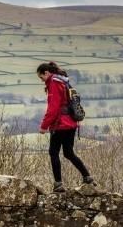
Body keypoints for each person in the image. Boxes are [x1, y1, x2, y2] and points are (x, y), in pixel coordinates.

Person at [36, 61, 95, 192]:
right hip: (72, 123)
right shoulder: (64, 81)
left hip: (60, 125)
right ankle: (87, 176)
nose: (41, 81)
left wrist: (44, 126)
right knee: (68, 153)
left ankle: (58, 184)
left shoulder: (54, 83)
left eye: (41, 77)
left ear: (46, 73)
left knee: (53, 152)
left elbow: (53, 108)